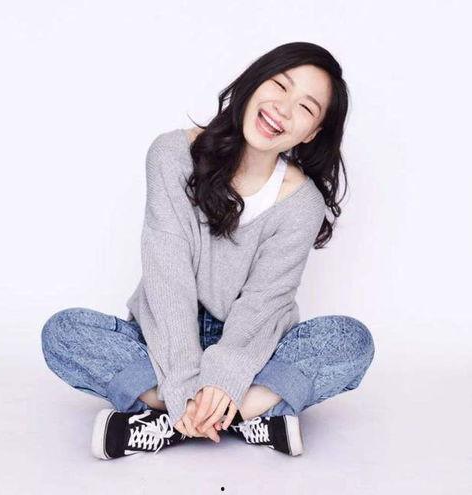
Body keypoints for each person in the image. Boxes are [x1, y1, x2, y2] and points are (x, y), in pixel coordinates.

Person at [41, 41, 375, 459]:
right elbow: (167, 276)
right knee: (63, 332)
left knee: (351, 340)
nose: (283, 108)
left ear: (311, 133)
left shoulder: (302, 203)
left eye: (306, 107)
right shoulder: (171, 155)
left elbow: (264, 304)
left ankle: (168, 423)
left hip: (253, 347)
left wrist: (226, 376)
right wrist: (184, 384)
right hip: (163, 334)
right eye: (279, 85)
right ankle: (248, 416)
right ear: (254, 82)